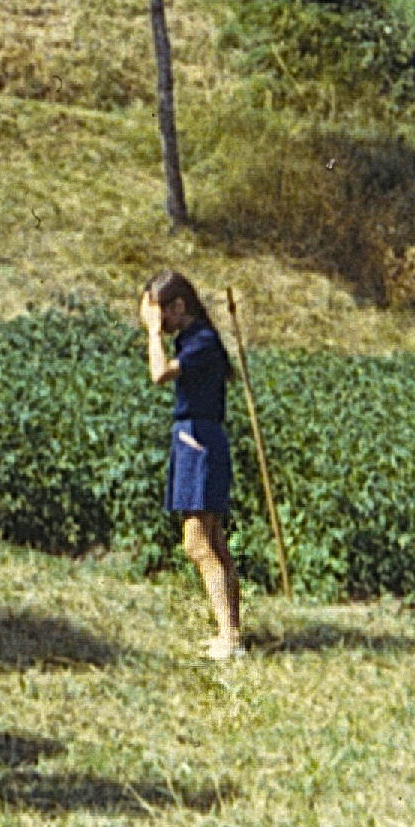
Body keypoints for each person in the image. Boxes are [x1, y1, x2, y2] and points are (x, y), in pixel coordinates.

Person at [140, 270, 245, 660]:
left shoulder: (201, 340)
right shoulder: (194, 338)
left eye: (159, 312)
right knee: (213, 542)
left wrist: (153, 334)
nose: (157, 321)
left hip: (198, 440)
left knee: (198, 543)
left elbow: (159, 374)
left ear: (179, 306)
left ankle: (230, 638)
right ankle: (229, 631)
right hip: (196, 437)